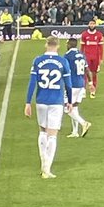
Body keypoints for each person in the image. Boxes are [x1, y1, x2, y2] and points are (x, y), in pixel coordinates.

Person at [24, 35, 73, 179]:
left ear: (46, 45)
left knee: (42, 132)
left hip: (41, 101)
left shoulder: (38, 61)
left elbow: (32, 83)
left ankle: (43, 162)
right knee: (53, 135)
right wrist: (69, 101)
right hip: (56, 101)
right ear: (58, 46)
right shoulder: (63, 61)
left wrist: (28, 102)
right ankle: (47, 168)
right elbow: (68, 84)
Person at [64, 38, 92, 138]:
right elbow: (87, 69)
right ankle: (75, 132)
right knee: (74, 107)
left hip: (72, 85)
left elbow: (64, 71)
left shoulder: (67, 56)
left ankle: (83, 123)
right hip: (81, 84)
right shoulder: (82, 55)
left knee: (66, 107)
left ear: (69, 45)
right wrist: (90, 83)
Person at [80, 21, 104, 97]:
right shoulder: (84, 35)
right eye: (90, 24)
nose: (92, 25)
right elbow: (82, 48)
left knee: (94, 73)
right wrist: (81, 57)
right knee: (85, 74)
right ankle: (83, 90)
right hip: (86, 57)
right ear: (88, 24)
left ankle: (93, 90)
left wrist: (101, 58)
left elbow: (101, 48)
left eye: (93, 24)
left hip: (96, 58)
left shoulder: (99, 35)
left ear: (95, 25)